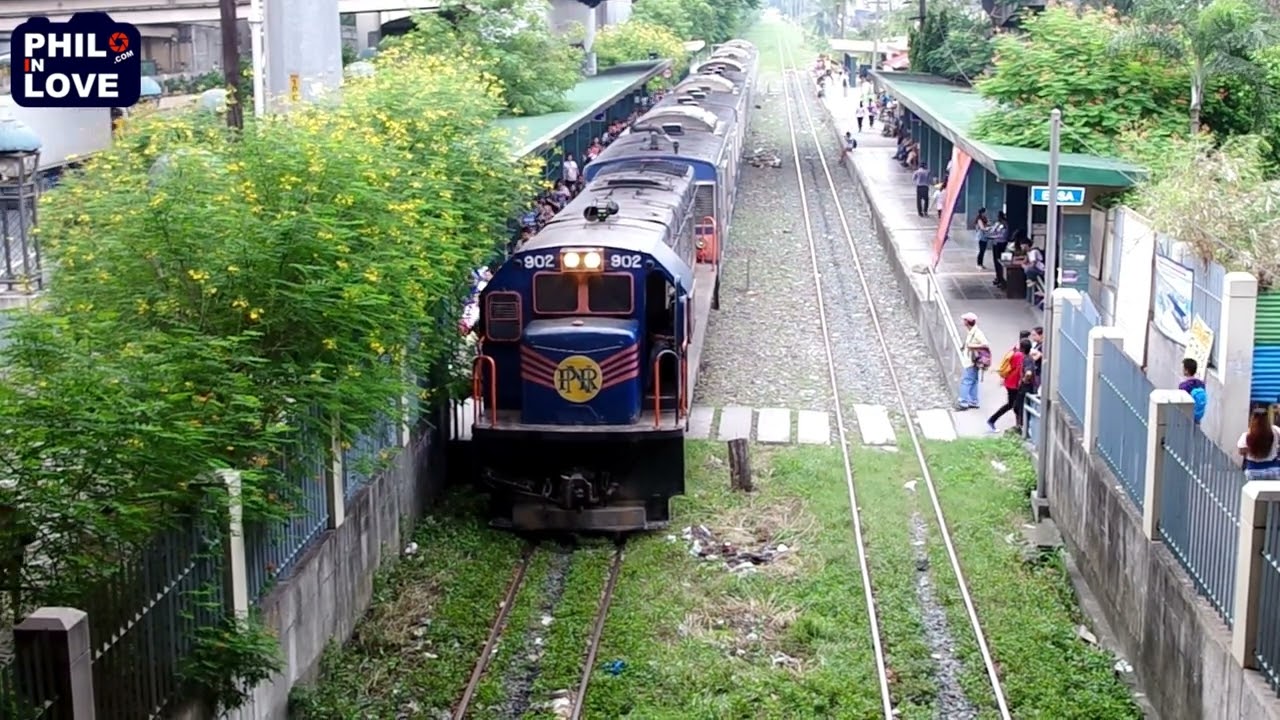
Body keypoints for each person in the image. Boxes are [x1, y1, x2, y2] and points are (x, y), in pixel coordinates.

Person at [988, 338, 1032, 432]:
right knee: (1013, 405)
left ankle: (1018, 425)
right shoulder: (1020, 356)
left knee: (1013, 405)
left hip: (1011, 382)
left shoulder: (1015, 352)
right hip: (1014, 384)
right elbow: (1017, 369)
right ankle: (993, 420)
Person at [957, 312, 990, 410]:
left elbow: (985, 344)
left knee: (966, 381)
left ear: (968, 321)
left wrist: (971, 346)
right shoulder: (972, 331)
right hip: (972, 361)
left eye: (964, 320)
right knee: (974, 381)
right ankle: (973, 401)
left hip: (971, 361)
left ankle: (963, 402)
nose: (963, 322)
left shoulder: (977, 333)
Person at [1239, 407, 1280, 479]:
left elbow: (1241, 451)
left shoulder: (1247, 435)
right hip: (1273, 469)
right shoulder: (1276, 431)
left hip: (1253, 470)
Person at [1178, 358, 1208, 425]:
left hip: (1186, 418)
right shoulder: (1201, 384)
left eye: (1183, 368)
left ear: (1186, 371)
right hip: (1197, 417)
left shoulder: (1184, 386)